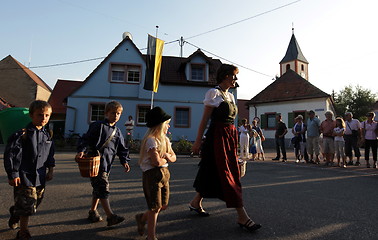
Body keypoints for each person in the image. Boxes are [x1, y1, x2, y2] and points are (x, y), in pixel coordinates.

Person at [189, 64, 261, 232]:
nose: (236, 79)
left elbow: (231, 121)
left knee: (212, 171)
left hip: (229, 137)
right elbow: (205, 120)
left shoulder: (230, 96)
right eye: (234, 76)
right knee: (229, 174)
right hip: (217, 137)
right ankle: (242, 216)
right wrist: (197, 141)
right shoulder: (213, 93)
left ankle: (195, 202)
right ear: (226, 76)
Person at [4, 100, 55, 240]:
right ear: (31, 115)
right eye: (40, 115)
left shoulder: (48, 134)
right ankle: (23, 232)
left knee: (36, 202)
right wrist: (13, 173)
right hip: (24, 176)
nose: (43, 118)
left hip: (40, 176)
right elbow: (11, 155)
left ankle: (15, 213)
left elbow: (50, 154)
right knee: (27, 205)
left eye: (47, 115)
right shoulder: (22, 134)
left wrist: (50, 170)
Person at [76, 101, 130, 226]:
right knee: (103, 188)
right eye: (113, 113)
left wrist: (124, 161)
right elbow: (86, 139)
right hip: (95, 163)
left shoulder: (117, 131)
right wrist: (81, 151)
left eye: (118, 113)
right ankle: (110, 216)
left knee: (98, 189)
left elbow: (122, 148)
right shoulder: (98, 126)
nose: (116, 116)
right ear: (106, 113)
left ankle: (93, 212)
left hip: (106, 164)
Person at [135, 106, 176, 240]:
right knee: (154, 208)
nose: (168, 127)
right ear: (159, 125)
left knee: (162, 205)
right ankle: (151, 237)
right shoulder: (151, 140)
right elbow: (155, 162)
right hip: (152, 175)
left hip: (164, 174)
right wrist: (165, 157)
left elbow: (174, 157)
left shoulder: (165, 140)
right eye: (167, 124)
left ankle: (142, 218)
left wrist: (167, 157)